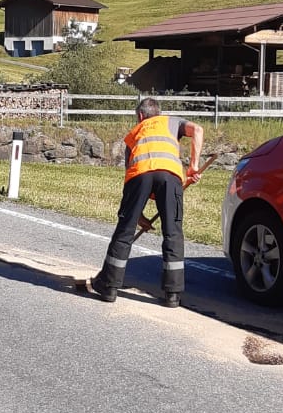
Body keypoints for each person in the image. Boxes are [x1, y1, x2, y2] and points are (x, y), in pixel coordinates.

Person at [87, 97, 203, 307]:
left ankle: (108, 286)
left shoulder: (133, 134)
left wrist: (136, 216)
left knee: (125, 230)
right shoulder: (172, 121)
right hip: (170, 176)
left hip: (139, 175)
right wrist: (193, 166)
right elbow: (198, 130)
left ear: (140, 116)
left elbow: (130, 181)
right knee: (173, 233)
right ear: (158, 112)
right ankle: (173, 295)